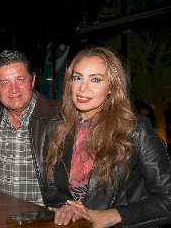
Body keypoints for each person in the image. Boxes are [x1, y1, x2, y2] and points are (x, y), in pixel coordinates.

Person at [43, 47, 171, 227]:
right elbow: (49, 188)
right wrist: (68, 206)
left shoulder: (135, 130)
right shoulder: (56, 129)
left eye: (95, 79)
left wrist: (112, 215)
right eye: (77, 78)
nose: (82, 88)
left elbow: (167, 197)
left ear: (112, 87)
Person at [0, 49, 60, 206]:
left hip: (44, 220)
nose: (14, 89)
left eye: (20, 79)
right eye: (5, 83)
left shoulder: (60, 116)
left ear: (32, 80)